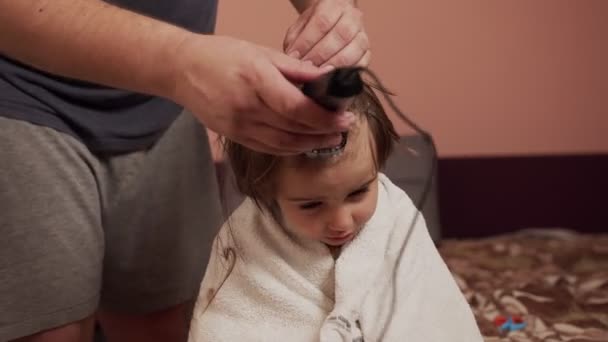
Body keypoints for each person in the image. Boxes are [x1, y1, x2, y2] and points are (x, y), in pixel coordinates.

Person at [0, 0, 370, 341]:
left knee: (172, 322)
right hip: (20, 90)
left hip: (166, 102)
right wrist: (182, 64)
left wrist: (333, 9)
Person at [187, 84, 484, 341]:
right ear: (266, 193)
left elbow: (431, 315)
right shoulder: (247, 240)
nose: (341, 222)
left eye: (358, 193)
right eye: (311, 205)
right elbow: (231, 326)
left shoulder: (398, 219)